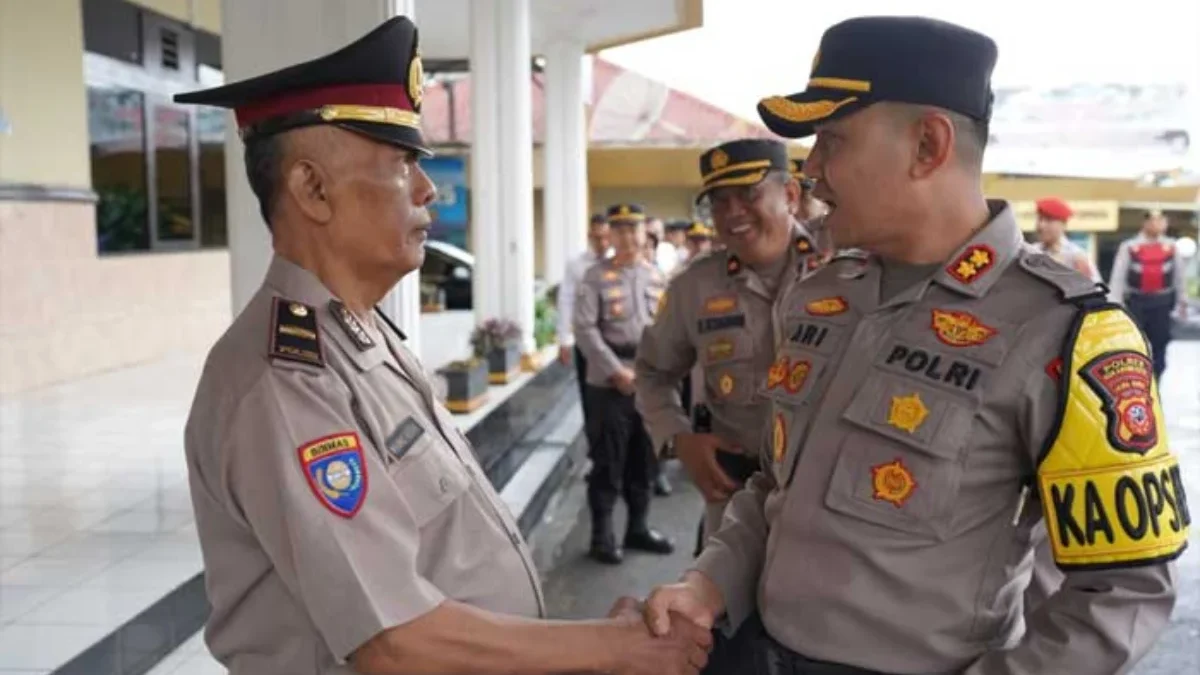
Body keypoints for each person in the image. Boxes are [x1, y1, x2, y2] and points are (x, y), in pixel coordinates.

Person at [643, 16, 1186, 675]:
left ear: (927, 145)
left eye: (832, 139)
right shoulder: (820, 297)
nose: (810, 169)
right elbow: (774, 485)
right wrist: (707, 583)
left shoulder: (1066, 331)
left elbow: (1123, 591)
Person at [175, 17, 709, 675]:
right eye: (402, 162)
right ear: (312, 189)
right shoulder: (284, 380)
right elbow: (394, 639)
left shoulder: (365, 335)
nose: (429, 189)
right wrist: (616, 648)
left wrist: (577, 643)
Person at [636, 138, 826, 557]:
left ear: (791, 195)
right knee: (722, 617)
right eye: (720, 201)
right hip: (736, 501)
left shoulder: (846, 268)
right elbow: (652, 372)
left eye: (749, 194)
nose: (732, 212)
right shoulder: (695, 287)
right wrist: (678, 439)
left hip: (828, 506)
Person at [574, 203, 677, 564]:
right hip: (608, 383)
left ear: (643, 234)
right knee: (607, 460)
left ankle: (638, 527)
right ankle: (602, 536)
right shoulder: (594, 277)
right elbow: (584, 329)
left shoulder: (656, 276)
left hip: (647, 381)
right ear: (611, 235)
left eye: (633, 229)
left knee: (644, 460)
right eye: (619, 230)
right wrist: (615, 370)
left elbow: (667, 329)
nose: (627, 237)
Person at [1109, 209, 1188, 380]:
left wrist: (1183, 301)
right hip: (1137, 302)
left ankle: (1156, 380)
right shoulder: (1129, 247)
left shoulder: (1172, 247)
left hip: (1162, 303)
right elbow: (1118, 277)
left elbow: (1179, 277)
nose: (1157, 224)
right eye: (1153, 220)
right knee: (1135, 344)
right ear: (1145, 223)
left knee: (1160, 345)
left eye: (1161, 220)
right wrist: (1115, 303)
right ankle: (1136, 380)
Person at [558, 213, 613, 426]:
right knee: (589, 393)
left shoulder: (616, 263)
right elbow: (566, 301)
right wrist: (564, 340)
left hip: (613, 338)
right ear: (589, 235)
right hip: (586, 342)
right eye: (597, 237)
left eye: (606, 236)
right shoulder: (577, 265)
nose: (602, 243)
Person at [1031, 197, 1101, 282]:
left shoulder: (1076, 257)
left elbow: (1094, 289)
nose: (1041, 226)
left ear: (1063, 224)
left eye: (1048, 220)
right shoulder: (1030, 253)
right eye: (1040, 219)